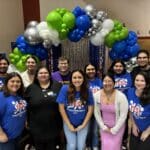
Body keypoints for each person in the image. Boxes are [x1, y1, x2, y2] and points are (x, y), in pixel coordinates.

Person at [25, 66, 62, 150]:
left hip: (54, 126)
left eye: (45, 73)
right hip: (36, 127)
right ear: (37, 75)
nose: (43, 75)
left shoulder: (58, 86)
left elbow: (63, 104)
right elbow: (26, 106)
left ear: (49, 75)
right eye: (41, 73)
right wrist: (26, 120)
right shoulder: (30, 88)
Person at [57, 69, 94, 150]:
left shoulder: (88, 91)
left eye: (79, 77)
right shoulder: (64, 89)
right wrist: (69, 125)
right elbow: (61, 109)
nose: (77, 80)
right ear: (71, 79)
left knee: (81, 146)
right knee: (72, 146)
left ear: (83, 79)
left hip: (83, 122)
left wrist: (83, 125)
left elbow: (90, 110)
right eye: (74, 77)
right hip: (68, 122)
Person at [94, 73, 128, 150]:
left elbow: (123, 115)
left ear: (114, 83)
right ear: (102, 82)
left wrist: (115, 129)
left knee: (114, 147)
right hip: (104, 127)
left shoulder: (121, 96)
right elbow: (96, 113)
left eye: (110, 81)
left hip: (118, 127)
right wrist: (103, 126)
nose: (107, 83)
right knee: (105, 146)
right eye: (105, 81)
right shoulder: (96, 95)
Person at [0, 72, 27, 150]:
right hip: (6, 137)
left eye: (18, 81)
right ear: (7, 82)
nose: (15, 84)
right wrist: (1, 134)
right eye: (12, 81)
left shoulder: (20, 96)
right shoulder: (1, 97)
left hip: (19, 135)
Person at [127, 72, 150, 150]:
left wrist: (147, 131)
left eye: (142, 81)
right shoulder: (130, 92)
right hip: (136, 127)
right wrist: (134, 124)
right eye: (137, 80)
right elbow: (131, 111)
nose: (139, 83)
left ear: (147, 83)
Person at [84, 63, 102, 150]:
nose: (91, 71)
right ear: (85, 71)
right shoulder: (83, 82)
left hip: (97, 110)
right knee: (86, 131)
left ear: (95, 70)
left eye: (92, 69)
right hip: (85, 111)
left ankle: (95, 146)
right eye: (88, 69)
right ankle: (87, 146)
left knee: (95, 131)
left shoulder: (100, 81)